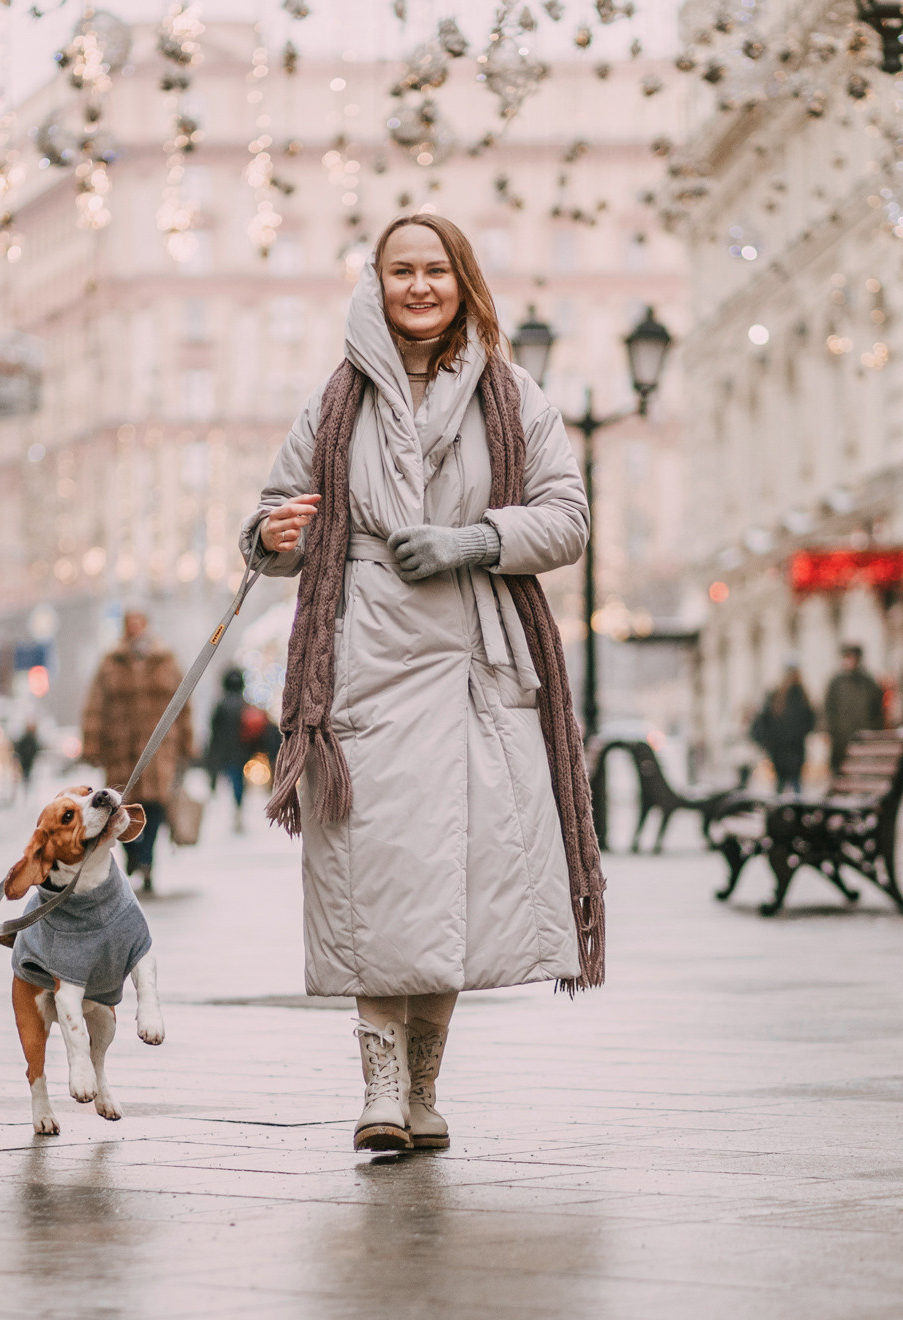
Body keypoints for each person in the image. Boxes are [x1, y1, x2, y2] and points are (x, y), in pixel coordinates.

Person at [245, 213, 601, 1153]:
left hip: (477, 668)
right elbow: (276, 516)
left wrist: (477, 538)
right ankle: (378, 1089)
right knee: (376, 877)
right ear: (375, 282)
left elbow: (567, 517)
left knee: (453, 883)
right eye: (400, 270)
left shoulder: (515, 393)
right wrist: (272, 536)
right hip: (360, 664)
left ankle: (425, 1089)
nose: (418, 286)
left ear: (462, 280)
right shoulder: (335, 403)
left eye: (435, 269)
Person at [80, 610, 194, 894]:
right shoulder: (110, 663)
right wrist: (92, 744)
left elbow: (183, 703)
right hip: (120, 748)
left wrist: (187, 742)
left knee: (155, 805)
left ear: (146, 625)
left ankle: (147, 860)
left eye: (139, 622)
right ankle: (132, 856)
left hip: (159, 749)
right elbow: (95, 706)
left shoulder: (166, 661)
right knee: (122, 807)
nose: (134, 627)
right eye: (130, 623)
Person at [203, 669, 258, 833]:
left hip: (223, 750)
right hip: (241, 751)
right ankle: (238, 809)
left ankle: (226, 803)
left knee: (228, 778)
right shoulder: (245, 704)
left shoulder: (221, 704)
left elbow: (213, 729)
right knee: (238, 781)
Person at [750, 661, 817, 794]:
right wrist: (767, 741)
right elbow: (762, 720)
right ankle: (783, 812)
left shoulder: (801, 695)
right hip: (781, 749)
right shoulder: (777, 695)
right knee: (784, 785)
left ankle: (794, 811)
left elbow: (810, 720)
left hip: (794, 748)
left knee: (794, 784)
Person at [823, 644, 885, 774]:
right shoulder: (836, 682)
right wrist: (828, 730)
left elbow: (877, 710)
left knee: (861, 770)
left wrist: (874, 730)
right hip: (841, 738)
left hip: (863, 736)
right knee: (840, 770)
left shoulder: (867, 682)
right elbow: (828, 708)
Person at [11, 721, 42, 800]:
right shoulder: (27, 739)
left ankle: (27, 795)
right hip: (25, 761)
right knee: (26, 778)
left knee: (28, 778)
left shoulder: (32, 739)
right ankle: (26, 795)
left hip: (28, 761)